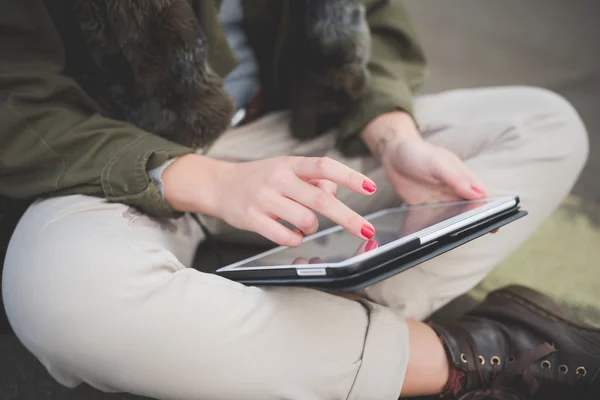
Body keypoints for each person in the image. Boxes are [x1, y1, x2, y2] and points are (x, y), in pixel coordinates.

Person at [0, 0, 598, 399]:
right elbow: (15, 94)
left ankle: (319, 334)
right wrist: (208, 179)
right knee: (60, 291)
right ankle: (464, 356)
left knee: (546, 125)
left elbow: (370, 14)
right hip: (119, 157)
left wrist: (393, 136)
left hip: (285, 129)